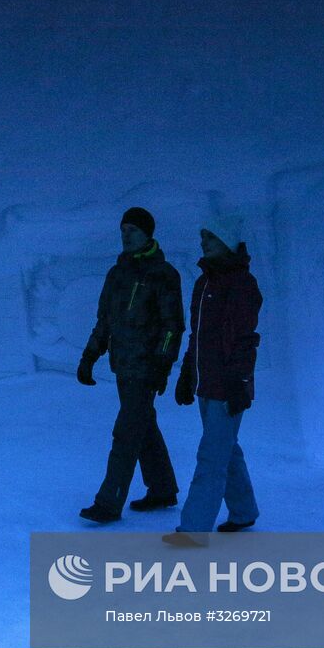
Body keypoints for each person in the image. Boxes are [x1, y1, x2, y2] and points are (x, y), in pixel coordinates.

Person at [77, 207, 185, 523]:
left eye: (133, 230)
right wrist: (89, 356)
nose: (126, 236)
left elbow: (172, 326)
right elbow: (105, 321)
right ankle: (163, 488)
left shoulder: (163, 274)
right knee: (143, 425)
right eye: (123, 230)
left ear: (148, 234)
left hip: (145, 369)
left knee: (126, 432)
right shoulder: (117, 274)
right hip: (123, 366)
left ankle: (108, 503)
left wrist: (162, 365)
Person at [166, 216, 263, 543]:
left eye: (211, 237)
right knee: (226, 450)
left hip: (227, 387)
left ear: (229, 242)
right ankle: (244, 511)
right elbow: (198, 336)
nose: (204, 242)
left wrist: (238, 381)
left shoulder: (242, 285)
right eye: (203, 236)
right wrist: (186, 372)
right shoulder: (204, 283)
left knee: (211, 457)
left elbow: (245, 340)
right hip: (206, 384)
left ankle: (192, 531)